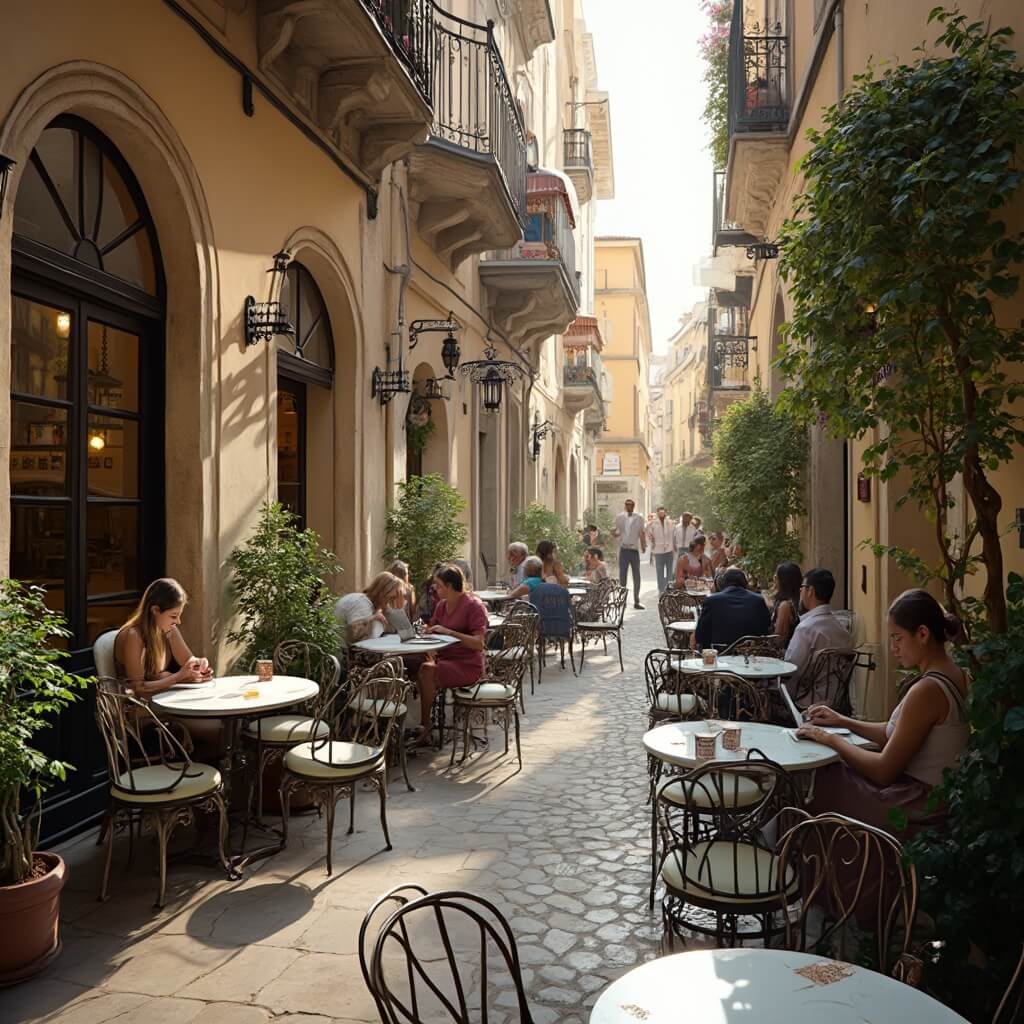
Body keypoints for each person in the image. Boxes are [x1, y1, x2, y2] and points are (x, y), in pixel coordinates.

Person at [797, 589, 969, 837]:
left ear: (922, 634)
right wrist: (842, 721)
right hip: (931, 796)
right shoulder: (957, 673)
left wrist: (830, 739)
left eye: (897, 638)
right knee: (838, 764)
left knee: (824, 775)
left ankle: (817, 863)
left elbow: (883, 770)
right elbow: (896, 733)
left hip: (919, 803)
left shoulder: (928, 690)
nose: (892, 648)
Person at [114, 578, 219, 752]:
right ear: (155, 610)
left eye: (179, 615)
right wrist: (177, 677)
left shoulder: (167, 630)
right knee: (212, 729)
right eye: (173, 616)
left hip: (165, 703)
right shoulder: (134, 635)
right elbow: (138, 688)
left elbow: (189, 660)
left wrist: (199, 665)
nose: (178, 621)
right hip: (140, 713)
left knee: (219, 723)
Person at [414, 565, 488, 744]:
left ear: (449, 586)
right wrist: (426, 630)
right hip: (445, 659)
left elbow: (479, 643)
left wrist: (449, 632)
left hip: (468, 664)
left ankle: (425, 725)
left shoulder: (473, 606)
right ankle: (405, 722)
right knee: (410, 662)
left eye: (438, 586)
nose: (435, 590)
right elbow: (433, 627)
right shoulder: (441, 606)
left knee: (426, 670)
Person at [783, 568, 851, 705]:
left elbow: (791, 671)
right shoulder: (842, 629)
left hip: (806, 701)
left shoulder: (806, 629)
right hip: (837, 702)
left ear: (810, 591)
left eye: (802, 587)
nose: (800, 592)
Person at [694, 567, 772, 651]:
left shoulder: (712, 600)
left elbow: (700, 635)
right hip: (750, 651)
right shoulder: (758, 600)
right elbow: (766, 628)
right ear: (745, 583)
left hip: (720, 653)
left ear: (723, 583)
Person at [335, 571, 406, 644]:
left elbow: (402, 634)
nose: (392, 602)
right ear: (382, 592)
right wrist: (372, 618)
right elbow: (356, 635)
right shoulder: (361, 603)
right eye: (392, 598)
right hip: (341, 652)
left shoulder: (374, 608)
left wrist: (399, 609)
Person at [612, 498, 647, 609]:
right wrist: (613, 534)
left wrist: (643, 545)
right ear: (625, 506)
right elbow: (618, 533)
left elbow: (642, 533)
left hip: (634, 550)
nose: (629, 506)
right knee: (623, 576)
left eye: (631, 504)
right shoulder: (619, 518)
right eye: (627, 504)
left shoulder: (639, 518)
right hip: (624, 549)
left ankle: (636, 601)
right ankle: (622, 601)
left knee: (636, 576)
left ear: (634, 506)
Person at [770, 562, 802, 647]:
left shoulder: (785, 606)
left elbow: (779, 640)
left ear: (784, 581)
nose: (774, 580)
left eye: (776, 577)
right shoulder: (796, 601)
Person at [647, 505, 676, 594]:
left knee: (669, 571)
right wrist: (652, 546)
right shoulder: (652, 524)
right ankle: (661, 589)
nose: (661, 514)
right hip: (658, 551)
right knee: (659, 571)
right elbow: (649, 536)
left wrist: (674, 548)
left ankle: (669, 588)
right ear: (657, 513)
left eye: (663, 512)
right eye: (659, 513)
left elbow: (674, 536)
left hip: (669, 550)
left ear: (665, 513)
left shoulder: (671, 523)